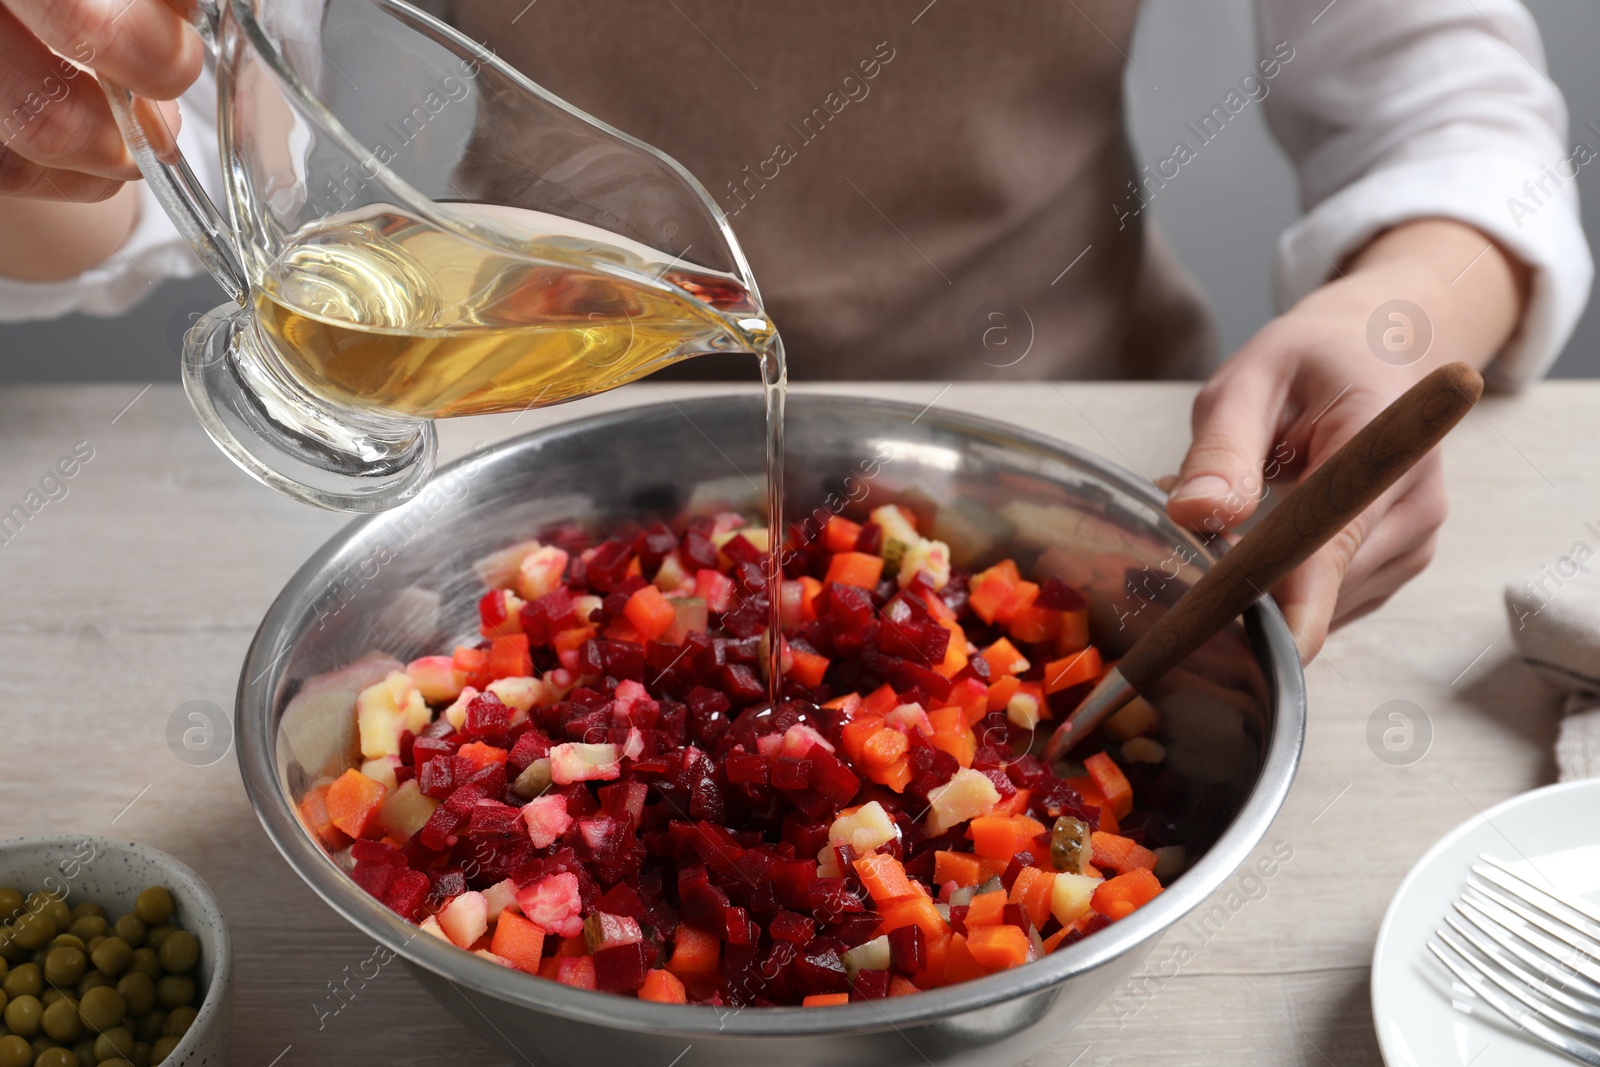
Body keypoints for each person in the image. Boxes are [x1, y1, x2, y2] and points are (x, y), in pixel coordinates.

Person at [0, 0, 1589, 662]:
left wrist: (1406, 316)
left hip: (1083, 474)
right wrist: (52, 111)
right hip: (504, 492)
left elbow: (1450, 99)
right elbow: (198, 156)